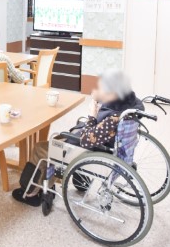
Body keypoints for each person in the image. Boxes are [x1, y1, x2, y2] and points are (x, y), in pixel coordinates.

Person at [12, 68, 144, 207]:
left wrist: (92, 115)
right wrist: (98, 98)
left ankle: (30, 193)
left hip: (88, 150)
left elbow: (86, 141)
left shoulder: (112, 120)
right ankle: (74, 180)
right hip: (105, 147)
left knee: (41, 148)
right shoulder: (128, 106)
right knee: (60, 139)